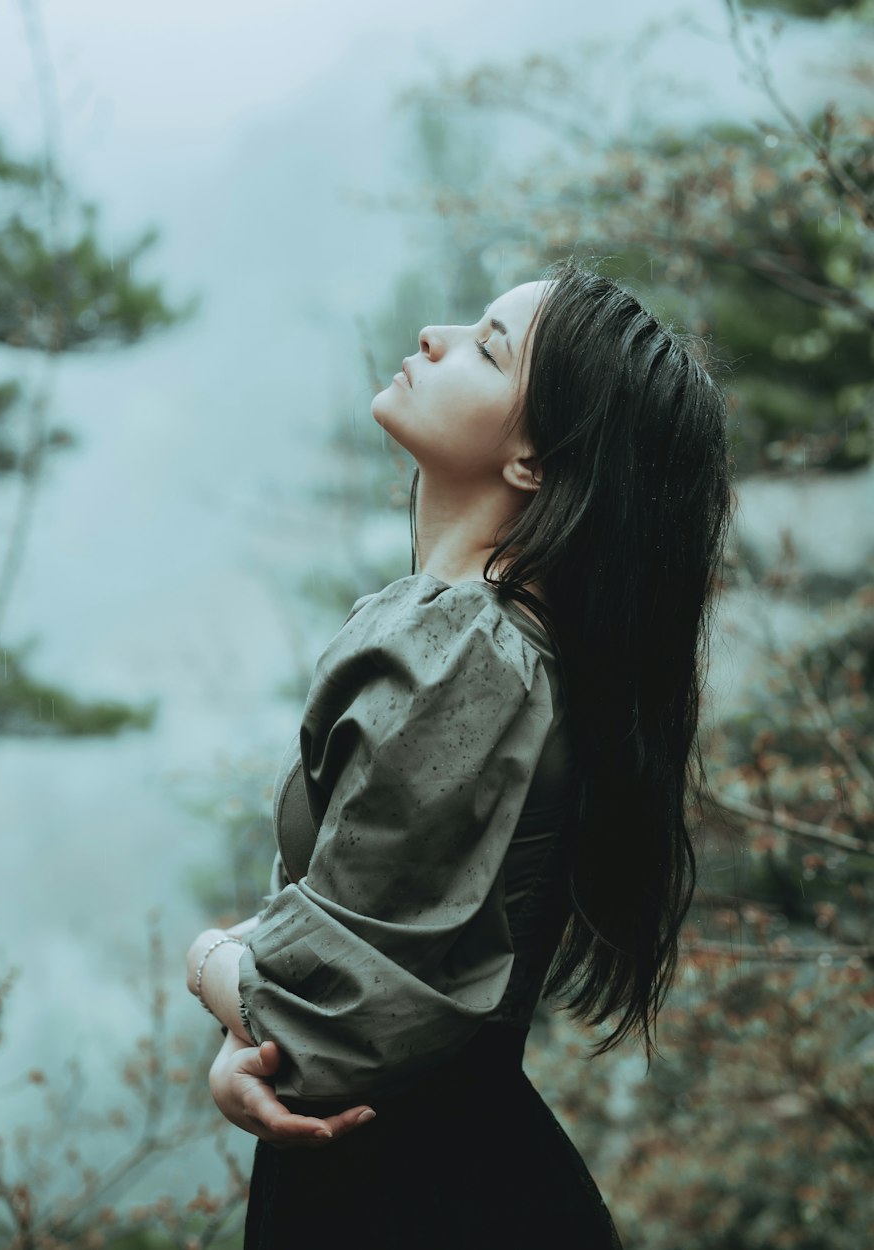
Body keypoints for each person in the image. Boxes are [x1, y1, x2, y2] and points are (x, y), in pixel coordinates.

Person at [185, 258, 732, 1249]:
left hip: (416, 1198)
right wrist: (251, 1029)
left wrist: (210, 960)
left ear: (532, 458)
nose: (435, 337)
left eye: (487, 346)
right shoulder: (492, 649)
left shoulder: (467, 658)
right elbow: (338, 962)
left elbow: (321, 1026)